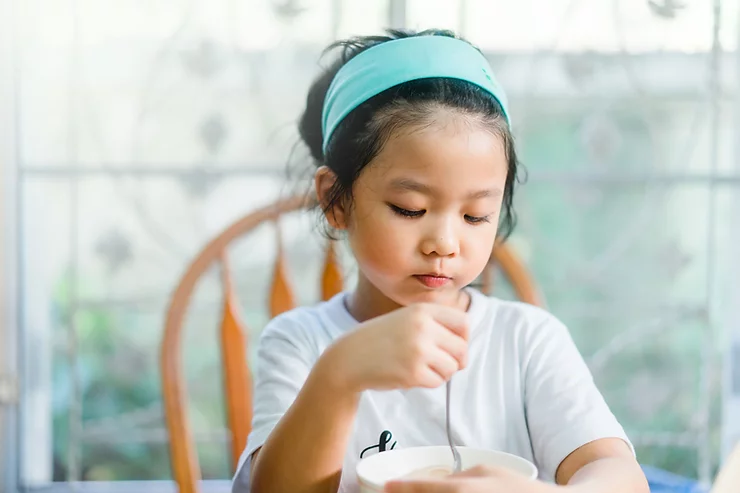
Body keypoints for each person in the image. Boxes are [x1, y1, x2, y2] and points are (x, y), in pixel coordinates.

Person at [232, 29, 649, 493]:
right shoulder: (301, 344)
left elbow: (619, 476)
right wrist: (339, 375)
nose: (444, 244)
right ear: (337, 201)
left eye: (475, 215)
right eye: (410, 209)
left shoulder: (527, 341)